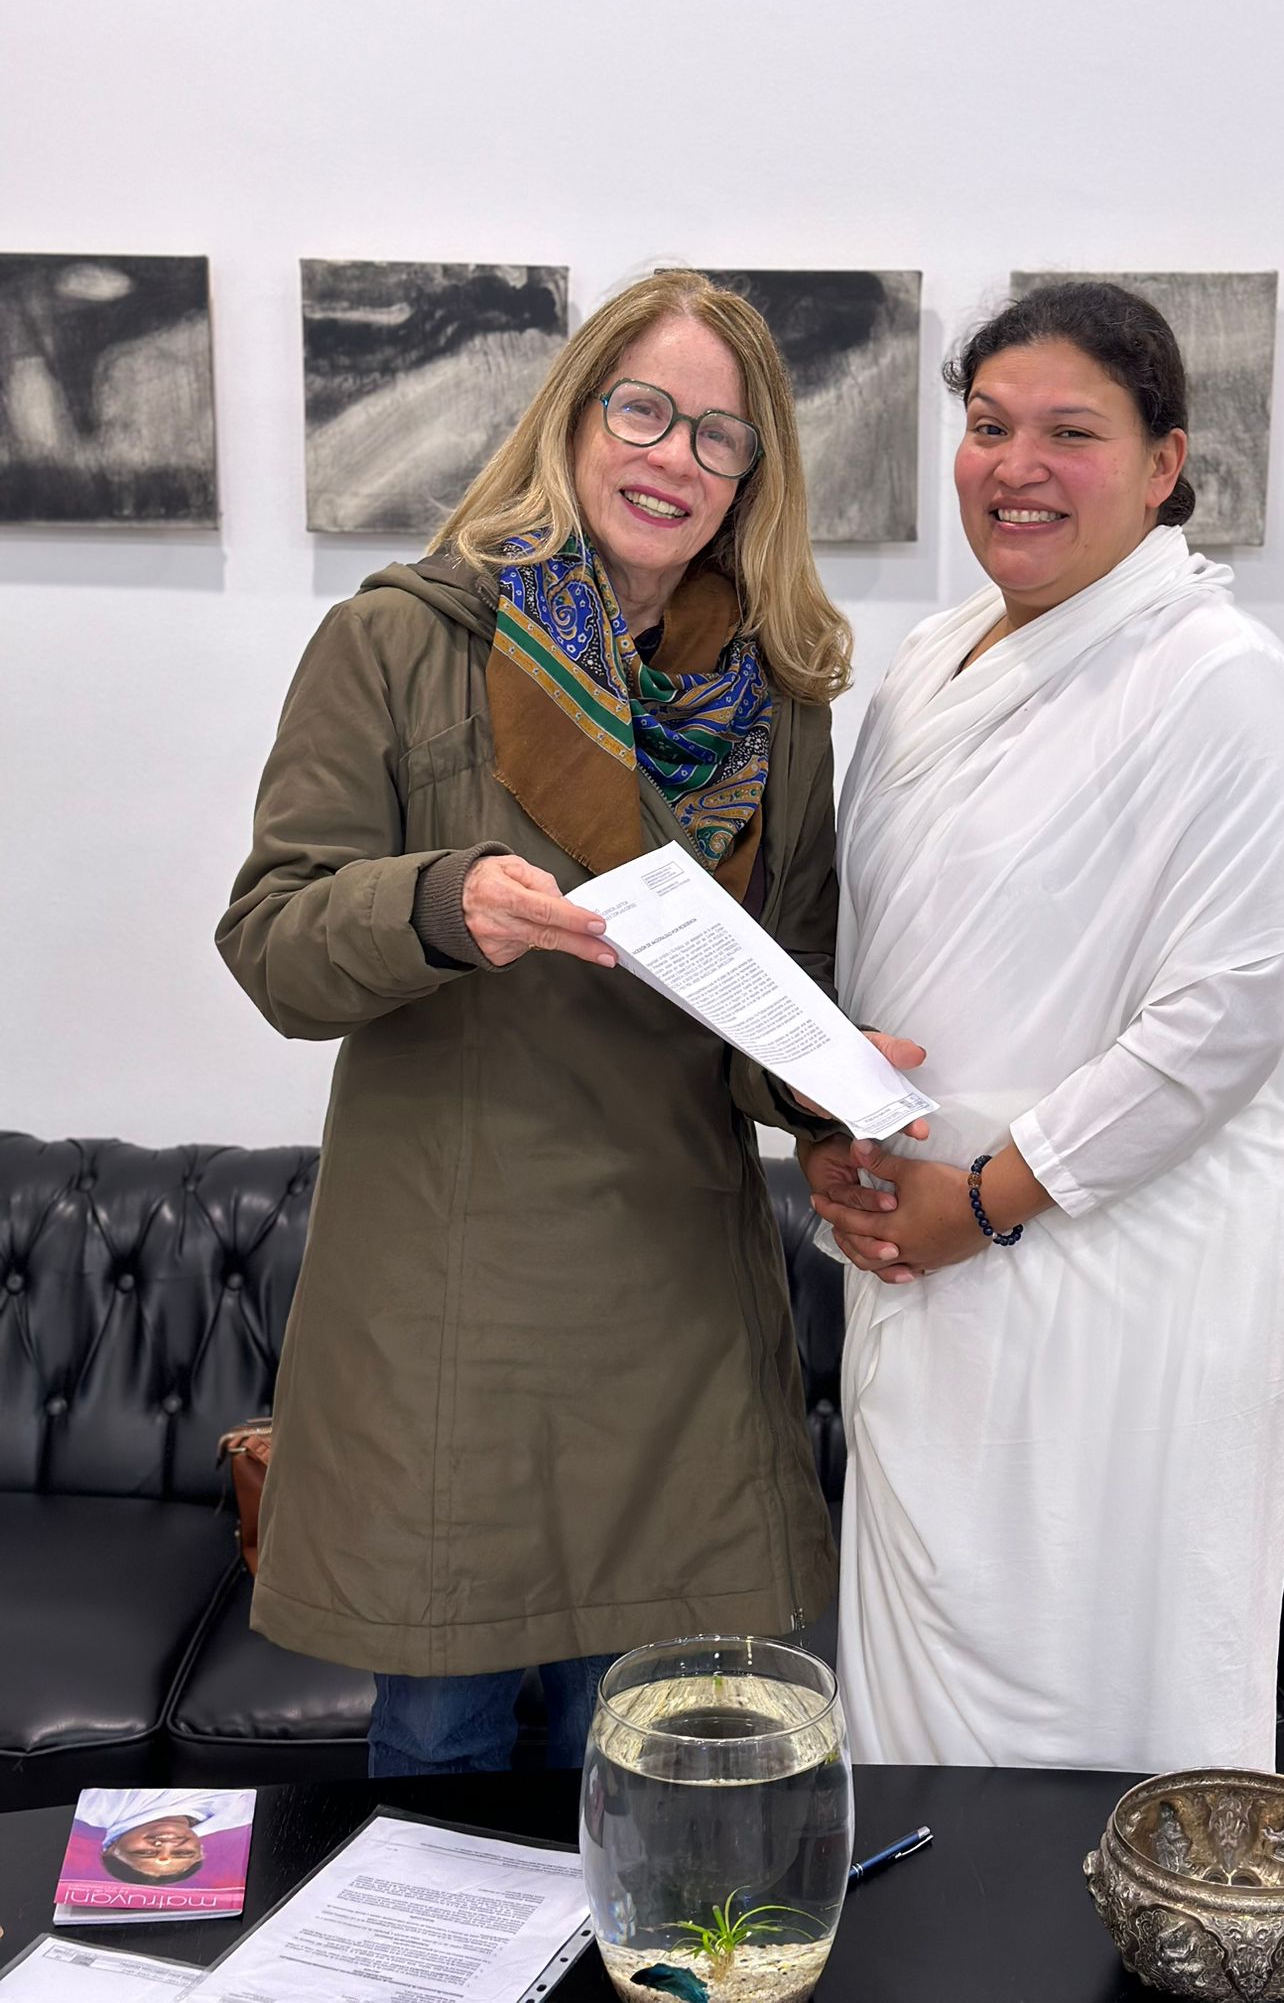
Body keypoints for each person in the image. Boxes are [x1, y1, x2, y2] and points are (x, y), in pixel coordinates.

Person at [217, 271, 910, 1777]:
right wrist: (438, 904)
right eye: (644, 411)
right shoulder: (400, 642)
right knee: (447, 1761)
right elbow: (271, 942)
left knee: (662, 1774)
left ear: (753, 477)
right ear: (575, 420)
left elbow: (765, 983)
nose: (674, 457)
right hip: (453, 1305)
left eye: (720, 437)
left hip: (676, 1309)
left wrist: (831, 1078)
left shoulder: (775, 699)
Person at [806, 281, 1284, 1773]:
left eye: (1072, 431)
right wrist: (839, 1130)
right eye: (989, 426)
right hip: (926, 1224)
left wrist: (985, 1205)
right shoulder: (933, 664)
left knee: (1110, 1628)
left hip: (1139, 1239)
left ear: (1163, 462)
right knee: (929, 1634)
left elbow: (1225, 1017)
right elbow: (887, 947)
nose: (1018, 465)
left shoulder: (1224, 687)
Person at [74, 1789, 254, 1884]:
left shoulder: (95, 1807)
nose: (165, 1845)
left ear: (111, 1848)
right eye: (183, 1853)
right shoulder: (240, 1816)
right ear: (200, 1852)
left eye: (144, 1852)